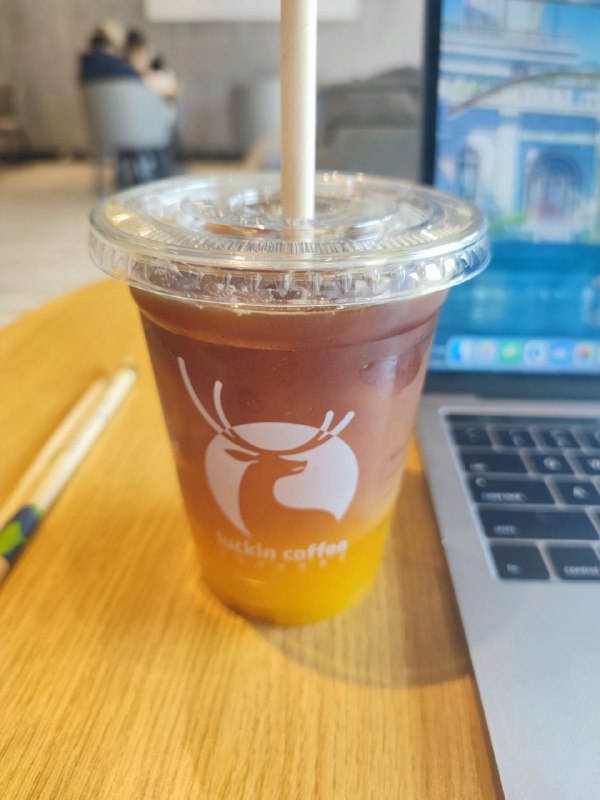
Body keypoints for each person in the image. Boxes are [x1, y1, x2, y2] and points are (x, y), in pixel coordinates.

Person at [125, 29, 180, 100]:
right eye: (133, 55)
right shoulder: (129, 79)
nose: (137, 59)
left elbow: (175, 89)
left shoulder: (159, 76)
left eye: (140, 55)